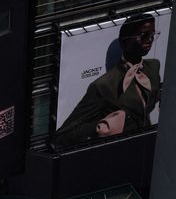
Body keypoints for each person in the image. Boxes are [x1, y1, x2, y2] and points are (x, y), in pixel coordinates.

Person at [55, 13, 163, 147]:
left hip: (150, 146)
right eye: (143, 35)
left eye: (153, 34)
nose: (149, 40)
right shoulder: (104, 85)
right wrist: (100, 127)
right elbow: (63, 135)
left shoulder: (153, 67)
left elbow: (153, 94)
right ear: (125, 41)